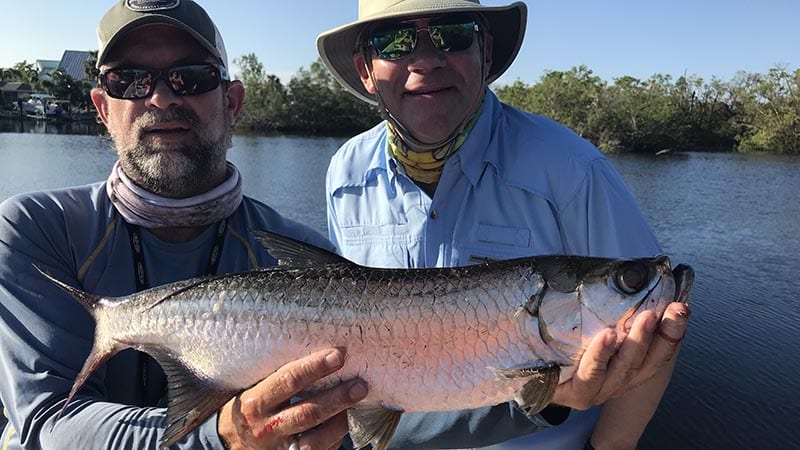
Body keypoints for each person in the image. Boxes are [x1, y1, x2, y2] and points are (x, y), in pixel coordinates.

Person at [317, 0, 691, 449]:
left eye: (451, 33)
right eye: (393, 42)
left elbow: (653, 337)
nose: (426, 59)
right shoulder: (345, 172)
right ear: (365, 69)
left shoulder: (573, 169)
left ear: (485, 52)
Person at [0, 1, 367, 449]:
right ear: (102, 108)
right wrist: (224, 438)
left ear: (232, 103)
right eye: (129, 80)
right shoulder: (35, 230)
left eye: (190, 77)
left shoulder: (306, 257)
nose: (161, 98)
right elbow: (49, 426)